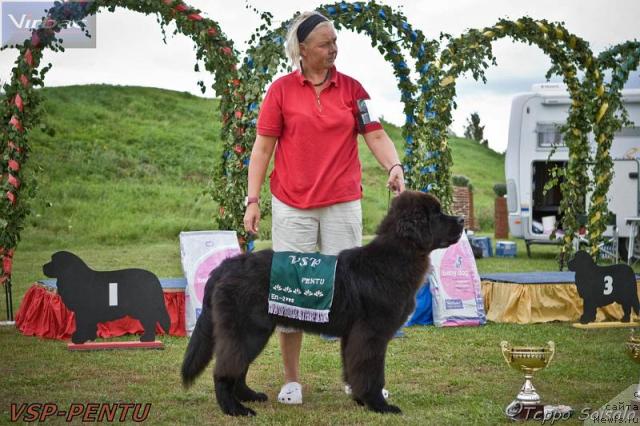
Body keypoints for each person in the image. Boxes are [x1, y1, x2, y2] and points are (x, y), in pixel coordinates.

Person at [243, 11, 405, 405]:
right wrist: (252, 201)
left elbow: (376, 133)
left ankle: (358, 380)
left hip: (342, 205)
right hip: (292, 205)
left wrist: (395, 165)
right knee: (288, 291)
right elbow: (262, 148)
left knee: (352, 297)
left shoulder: (352, 89)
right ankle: (292, 381)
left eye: (335, 42)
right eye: (324, 43)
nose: (333, 49)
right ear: (302, 50)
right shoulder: (280, 91)